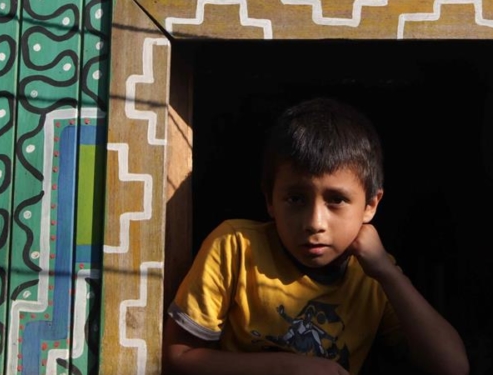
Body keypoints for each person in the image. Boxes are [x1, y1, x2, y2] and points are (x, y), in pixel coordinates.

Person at [162, 97, 469, 375]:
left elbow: (452, 367)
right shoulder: (235, 247)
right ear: (270, 199)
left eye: (336, 200)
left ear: (370, 205)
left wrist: (387, 273)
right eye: (296, 198)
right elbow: (177, 358)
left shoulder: (372, 276)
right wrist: (286, 369)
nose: (314, 223)